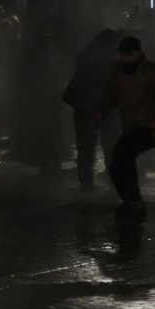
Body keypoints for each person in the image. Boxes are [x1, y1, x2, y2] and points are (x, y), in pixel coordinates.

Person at [96, 36, 155, 220]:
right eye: (123, 54)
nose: (126, 58)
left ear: (139, 52)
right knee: (119, 164)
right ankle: (131, 200)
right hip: (130, 126)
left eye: (130, 54)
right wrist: (101, 110)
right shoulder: (117, 70)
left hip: (151, 127)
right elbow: (112, 94)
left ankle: (133, 200)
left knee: (123, 158)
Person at [63, 29, 121, 189]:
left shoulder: (86, 60)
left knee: (87, 147)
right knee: (109, 145)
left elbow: (69, 94)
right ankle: (109, 179)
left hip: (87, 109)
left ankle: (86, 182)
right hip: (102, 109)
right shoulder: (111, 63)